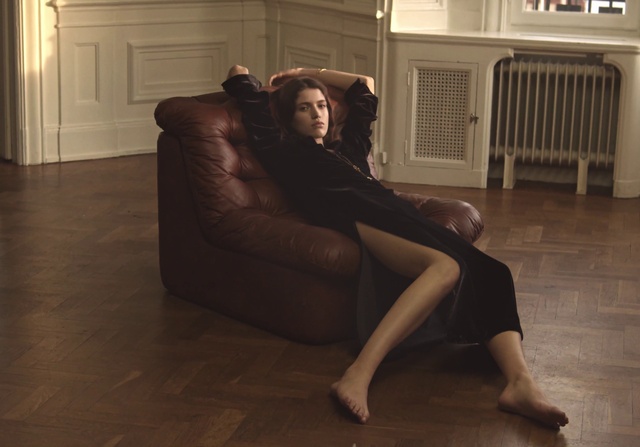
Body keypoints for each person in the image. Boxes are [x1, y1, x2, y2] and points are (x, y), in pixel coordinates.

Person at [222, 65, 569, 429]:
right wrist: (256, 80)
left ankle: (520, 384)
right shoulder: (284, 152)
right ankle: (358, 374)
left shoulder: (348, 149)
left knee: (493, 273)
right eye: (304, 108)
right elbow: (243, 82)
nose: (316, 114)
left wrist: (307, 72)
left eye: (321, 105)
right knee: (446, 267)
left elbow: (365, 87)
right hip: (357, 216)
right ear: (289, 117)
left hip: (396, 212)